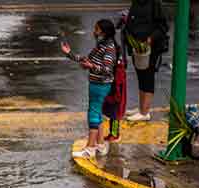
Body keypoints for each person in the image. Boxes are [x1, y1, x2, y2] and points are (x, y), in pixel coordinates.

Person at [62, 20, 118, 158]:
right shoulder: (101, 45)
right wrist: (70, 54)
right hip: (96, 84)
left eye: (97, 29)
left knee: (93, 114)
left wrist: (91, 67)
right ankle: (100, 144)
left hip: (100, 85)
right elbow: (87, 59)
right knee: (97, 113)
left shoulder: (109, 48)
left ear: (104, 32)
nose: (94, 31)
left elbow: (107, 69)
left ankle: (90, 148)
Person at [123, 0, 169, 121]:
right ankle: (141, 108)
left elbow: (163, 27)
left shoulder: (154, 3)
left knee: (147, 76)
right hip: (136, 46)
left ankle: (145, 112)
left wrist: (150, 39)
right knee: (141, 75)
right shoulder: (136, 2)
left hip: (150, 47)